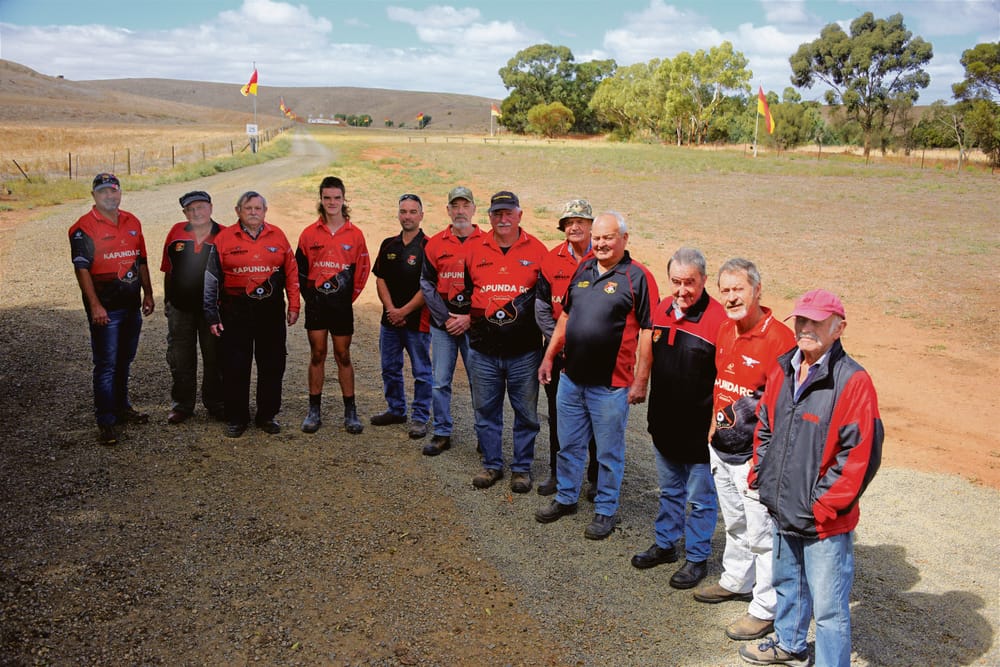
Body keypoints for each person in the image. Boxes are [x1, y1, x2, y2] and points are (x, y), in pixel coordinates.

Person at [740, 289, 882, 667]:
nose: (805, 328)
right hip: (782, 505)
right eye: (801, 320)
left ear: (839, 328)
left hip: (824, 522)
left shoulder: (853, 382)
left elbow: (858, 456)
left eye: (816, 321)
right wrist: (763, 477)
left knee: (831, 608)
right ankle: (789, 643)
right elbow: (765, 426)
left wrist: (821, 506)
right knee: (789, 586)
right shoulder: (783, 367)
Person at [534, 212, 658, 540]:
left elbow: (648, 331)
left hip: (611, 386)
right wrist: (549, 357)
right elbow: (565, 317)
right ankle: (566, 498)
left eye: (608, 237)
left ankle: (605, 510)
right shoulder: (584, 269)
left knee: (607, 453)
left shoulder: (638, 277)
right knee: (569, 445)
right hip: (571, 378)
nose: (601, 243)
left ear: (624, 239)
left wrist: (641, 380)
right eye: (599, 238)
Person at [692, 258, 795, 642]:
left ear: (757, 290)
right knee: (735, 523)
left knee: (763, 534)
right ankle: (736, 579)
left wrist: (766, 457)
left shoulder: (780, 339)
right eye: (726, 290)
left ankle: (766, 608)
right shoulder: (724, 330)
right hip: (722, 447)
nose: (732, 297)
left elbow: (785, 405)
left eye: (739, 289)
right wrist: (711, 430)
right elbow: (723, 384)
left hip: (754, 455)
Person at [632, 247, 726, 588]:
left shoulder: (719, 320)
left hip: (699, 430)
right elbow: (647, 342)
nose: (682, 290)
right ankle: (666, 543)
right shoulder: (661, 308)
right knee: (670, 491)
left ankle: (697, 558)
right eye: (676, 282)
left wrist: (717, 425)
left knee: (700, 500)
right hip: (664, 422)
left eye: (690, 283)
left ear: (703, 280)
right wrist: (641, 380)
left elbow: (725, 378)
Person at [464, 191, 547, 492]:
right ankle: (491, 465)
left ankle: (522, 469)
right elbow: (465, 294)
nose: (502, 218)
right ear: (489, 217)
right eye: (497, 213)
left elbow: (546, 300)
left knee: (526, 413)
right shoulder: (475, 249)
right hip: (483, 350)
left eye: (508, 212)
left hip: (524, 351)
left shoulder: (538, 251)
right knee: (486, 410)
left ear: (519, 215)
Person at [204, 191, 300, 437]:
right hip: (235, 313)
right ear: (238, 211)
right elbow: (212, 279)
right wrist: (212, 315)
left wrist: (294, 305)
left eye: (258, 208)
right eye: (248, 208)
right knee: (235, 366)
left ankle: (267, 416)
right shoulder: (224, 238)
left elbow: (291, 272)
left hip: (270, 313)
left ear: (265, 211)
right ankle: (237, 418)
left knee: (272, 365)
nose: (254, 212)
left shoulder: (277, 236)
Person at [69, 173, 155, 446]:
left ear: (120, 193)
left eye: (114, 191)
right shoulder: (83, 228)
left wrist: (149, 293)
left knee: (124, 361)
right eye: (104, 191)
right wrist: (95, 305)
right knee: (106, 365)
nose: (110, 195)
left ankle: (122, 407)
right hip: (106, 310)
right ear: (94, 195)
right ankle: (106, 421)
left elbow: (140, 261)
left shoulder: (132, 222)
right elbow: (81, 269)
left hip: (131, 306)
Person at [296, 176, 370, 435]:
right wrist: (311, 298)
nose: (332, 203)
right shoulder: (308, 233)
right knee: (317, 354)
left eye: (336, 198)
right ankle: (313, 410)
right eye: (327, 198)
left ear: (343, 199)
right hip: (316, 305)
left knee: (343, 355)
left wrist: (346, 299)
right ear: (321, 199)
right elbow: (300, 271)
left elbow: (362, 271)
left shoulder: (355, 234)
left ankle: (350, 411)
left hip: (341, 307)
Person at [534, 199, 598, 498]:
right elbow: (542, 309)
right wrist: (559, 341)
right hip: (558, 355)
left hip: (598, 356)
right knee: (559, 416)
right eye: (568, 222)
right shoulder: (551, 259)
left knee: (598, 418)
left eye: (580, 222)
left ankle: (596, 478)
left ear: (591, 226)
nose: (574, 226)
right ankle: (558, 474)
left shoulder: (606, 258)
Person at [419, 186, 483, 456]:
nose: (460, 211)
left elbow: (491, 287)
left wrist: (469, 318)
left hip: (475, 325)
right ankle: (442, 432)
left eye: (465, 206)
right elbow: (427, 283)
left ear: (473, 210)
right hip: (443, 325)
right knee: (440, 381)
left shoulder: (487, 242)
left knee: (479, 382)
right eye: (455, 206)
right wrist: (445, 319)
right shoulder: (435, 243)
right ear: (448, 210)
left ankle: (485, 434)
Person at [369, 193, 432, 439]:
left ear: (421, 215)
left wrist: (404, 311)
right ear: (398, 214)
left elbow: (428, 286)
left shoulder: (429, 246)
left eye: (412, 212)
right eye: (403, 212)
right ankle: (396, 409)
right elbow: (380, 278)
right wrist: (390, 310)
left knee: (422, 371)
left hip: (417, 322)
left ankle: (419, 417)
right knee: (390, 368)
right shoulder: (388, 245)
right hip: (390, 322)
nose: (407, 216)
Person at [160, 190, 225, 424]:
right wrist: (168, 301)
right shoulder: (176, 232)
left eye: (201, 207)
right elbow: (168, 268)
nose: (197, 212)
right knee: (180, 358)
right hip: (180, 308)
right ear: (185, 212)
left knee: (215, 358)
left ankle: (216, 403)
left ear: (211, 207)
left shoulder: (225, 235)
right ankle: (182, 405)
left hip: (212, 311)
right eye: (191, 209)